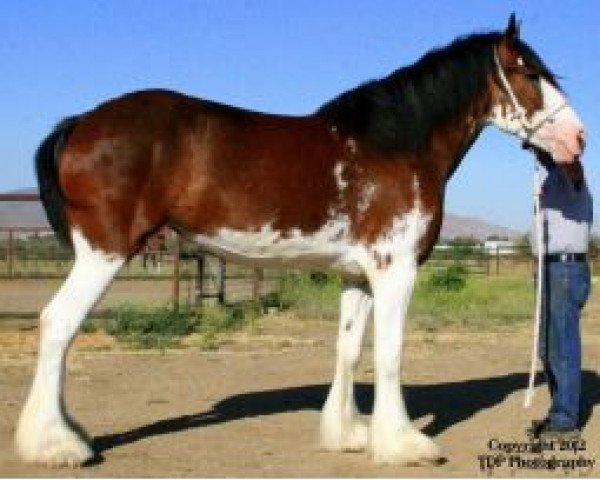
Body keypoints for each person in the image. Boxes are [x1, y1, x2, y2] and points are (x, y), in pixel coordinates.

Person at [528, 151, 593, 439]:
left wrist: (550, 138)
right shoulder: (547, 178)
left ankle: (566, 420)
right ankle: (560, 411)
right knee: (546, 346)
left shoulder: (571, 176)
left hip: (565, 270)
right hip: (548, 270)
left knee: (563, 346)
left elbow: (573, 167)